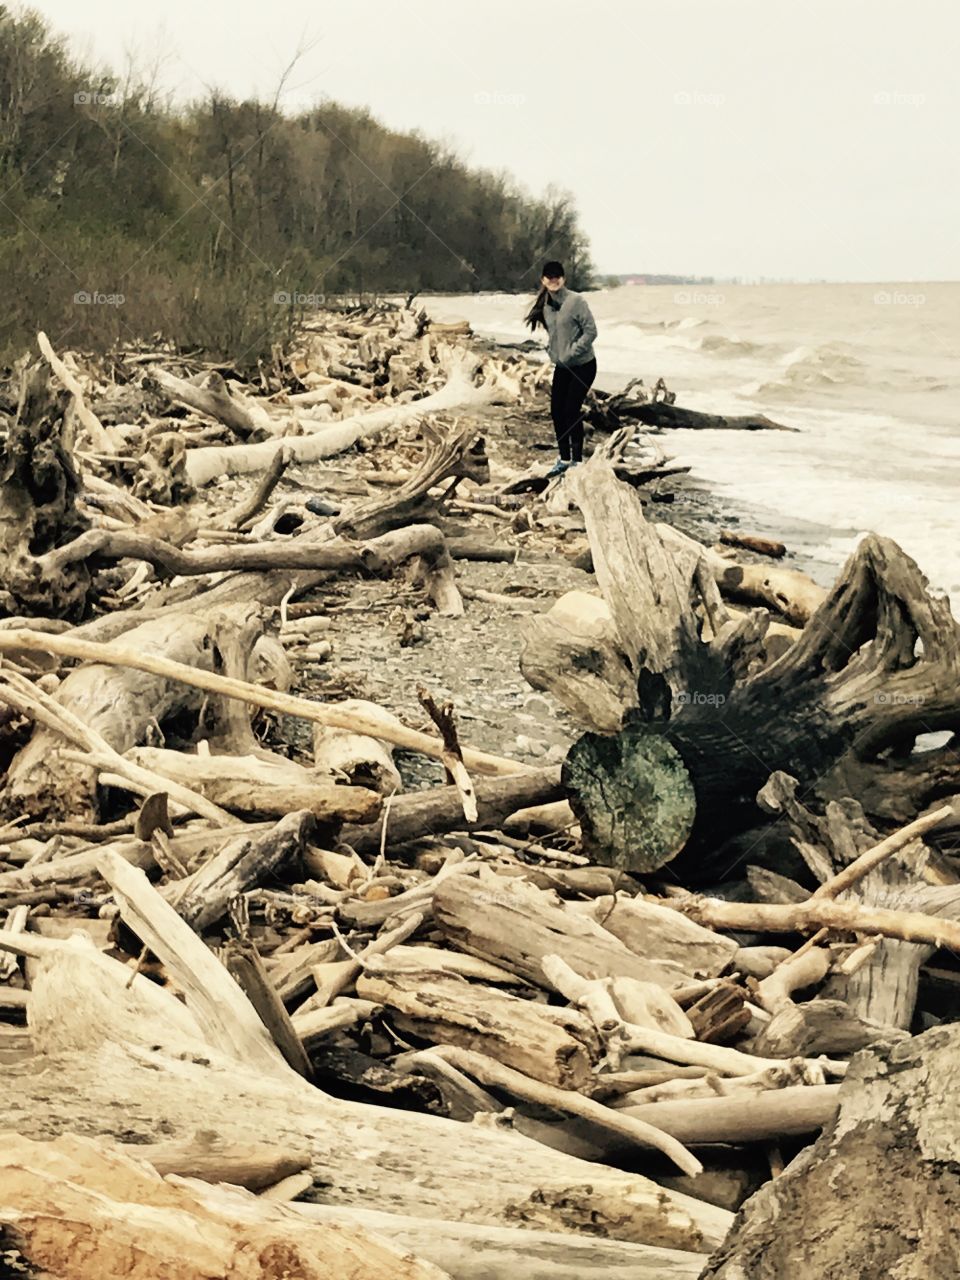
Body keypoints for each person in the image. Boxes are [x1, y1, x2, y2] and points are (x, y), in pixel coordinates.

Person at [524, 259, 598, 476]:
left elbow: (591, 332)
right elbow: (554, 333)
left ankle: (578, 461)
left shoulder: (576, 301)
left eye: (557, 276)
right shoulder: (546, 304)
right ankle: (564, 459)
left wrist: (570, 352)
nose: (554, 280)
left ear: (563, 279)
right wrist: (552, 351)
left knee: (571, 410)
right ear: (543, 280)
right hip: (563, 367)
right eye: (549, 277)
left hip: (583, 365)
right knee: (556, 411)